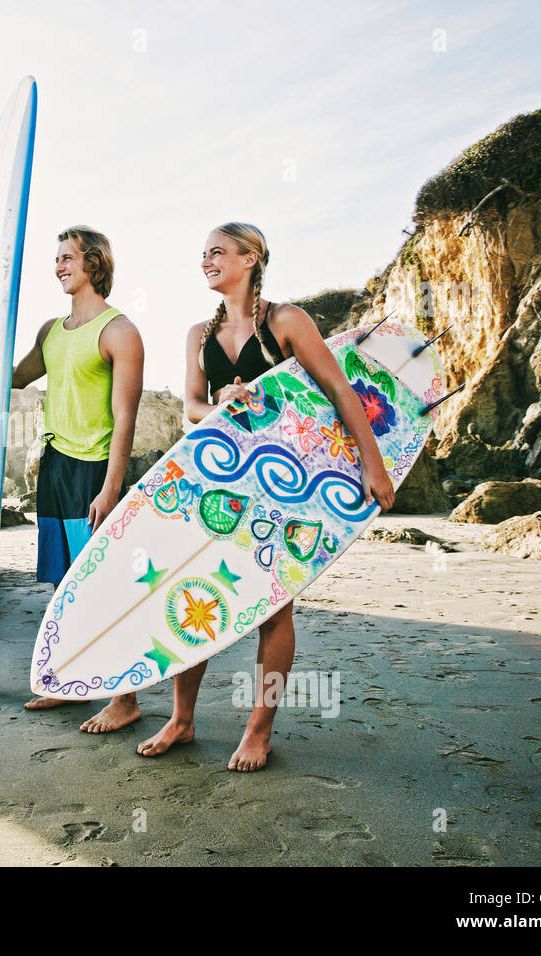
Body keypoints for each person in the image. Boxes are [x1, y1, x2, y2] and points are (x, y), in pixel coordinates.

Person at [135, 221, 395, 771]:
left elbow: (339, 391)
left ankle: (259, 729)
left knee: (273, 610)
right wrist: (226, 402)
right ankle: (182, 719)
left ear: (250, 259)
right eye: (202, 253)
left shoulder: (287, 321)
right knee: (191, 595)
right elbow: (191, 409)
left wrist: (374, 464)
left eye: (218, 252)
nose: (206, 261)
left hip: (282, 482)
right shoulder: (197, 335)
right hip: (215, 481)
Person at [12, 226, 146, 733]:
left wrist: (111, 488)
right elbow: (17, 377)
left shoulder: (119, 331)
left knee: (105, 585)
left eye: (68, 257)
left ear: (95, 263)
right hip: (54, 465)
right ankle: (71, 683)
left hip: (95, 471)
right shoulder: (51, 330)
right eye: (57, 259)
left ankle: (125, 698)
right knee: (64, 584)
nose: (59, 266)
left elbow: (125, 418)